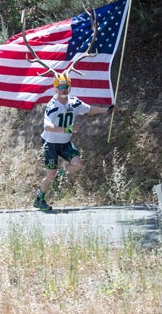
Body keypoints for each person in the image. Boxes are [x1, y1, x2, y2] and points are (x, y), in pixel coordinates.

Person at [34, 73, 115, 211]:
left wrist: (107, 110)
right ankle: (39, 199)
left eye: (66, 86)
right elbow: (47, 126)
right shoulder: (52, 105)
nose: (63, 89)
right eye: (60, 87)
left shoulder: (74, 102)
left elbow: (89, 109)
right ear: (55, 88)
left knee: (77, 165)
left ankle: (59, 175)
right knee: (50, 174)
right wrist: (67, 129)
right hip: (50, 143)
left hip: (65, 142)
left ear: (69, 87)